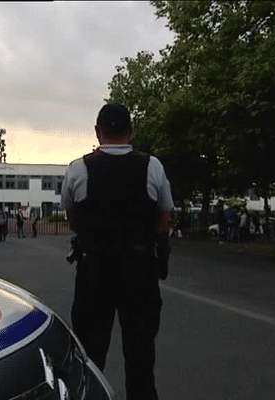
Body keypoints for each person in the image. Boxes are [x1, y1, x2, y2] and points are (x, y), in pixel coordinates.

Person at [61, 104, 173, 400]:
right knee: (140, 358)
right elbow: (163, 218)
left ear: (98, 131)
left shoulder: (78, 169)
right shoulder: (153, 166)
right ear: (131, 131)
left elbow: (73, 219)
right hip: (140, 273)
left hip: (94, 272)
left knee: (90, 357)